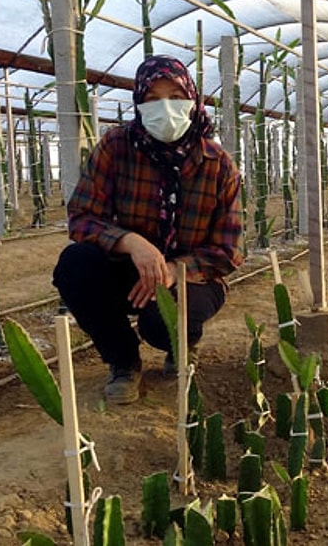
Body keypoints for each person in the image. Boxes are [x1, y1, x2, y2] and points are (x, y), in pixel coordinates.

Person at [53, 55, 244, 405]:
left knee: (161, 324)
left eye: (175, 96)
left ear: (193, 100)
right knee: (75, 265)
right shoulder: (116, 147)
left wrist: (173, 270)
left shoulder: (219, 165)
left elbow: (228, 251)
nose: (165, 107)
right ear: (139, 103)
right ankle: (123, 361)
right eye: (153, 98)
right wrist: (131, 242)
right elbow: (81, 216)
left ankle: (182, 343)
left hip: (192, 280)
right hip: (129, 269)